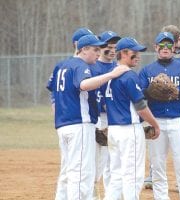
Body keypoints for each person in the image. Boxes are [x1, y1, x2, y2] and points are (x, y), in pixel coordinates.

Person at [47, 34, 129, 200]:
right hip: (80, 124)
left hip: (64, 125)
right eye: (95, 49)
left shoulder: (62, 65)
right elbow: (84, 85)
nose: (98, 53)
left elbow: (54, 93)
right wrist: (111, 75)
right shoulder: (80, 65)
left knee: (69, 171)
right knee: (81, 173)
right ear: (83, 49)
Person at [103, 37, 160, 200]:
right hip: (129, 130)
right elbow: (141, 108)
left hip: (113, 130)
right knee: (133, 175)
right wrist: (155, 124)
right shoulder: (129, 76)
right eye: (134, 52)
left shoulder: (110, 76)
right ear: (123, 53)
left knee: (116, 175)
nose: (138, 56)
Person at [139, 32, 180, 200]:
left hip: (178, 121)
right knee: (157, 165)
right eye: (162, 45)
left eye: (169, 45)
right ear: (156, 47)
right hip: (156, 121)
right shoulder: (147, 71)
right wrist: (151, 92)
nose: (165, 48)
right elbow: (140, 95)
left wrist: (177, 93)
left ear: (174, 47)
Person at [91, 30, 121, 200]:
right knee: (96, 162)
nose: (112, 50)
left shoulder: (118, 67)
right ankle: (92, 196)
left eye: (115, 47)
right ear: (100, 47)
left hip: (114, 119)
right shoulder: (93, 67)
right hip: (97, 119)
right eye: (108, 47)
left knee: (113, 162)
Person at [49, 27, 94, 111]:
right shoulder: (62, 65)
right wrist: (54, 103)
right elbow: (53, 88)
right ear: (76, 43)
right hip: (75, 113)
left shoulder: (93, 63)